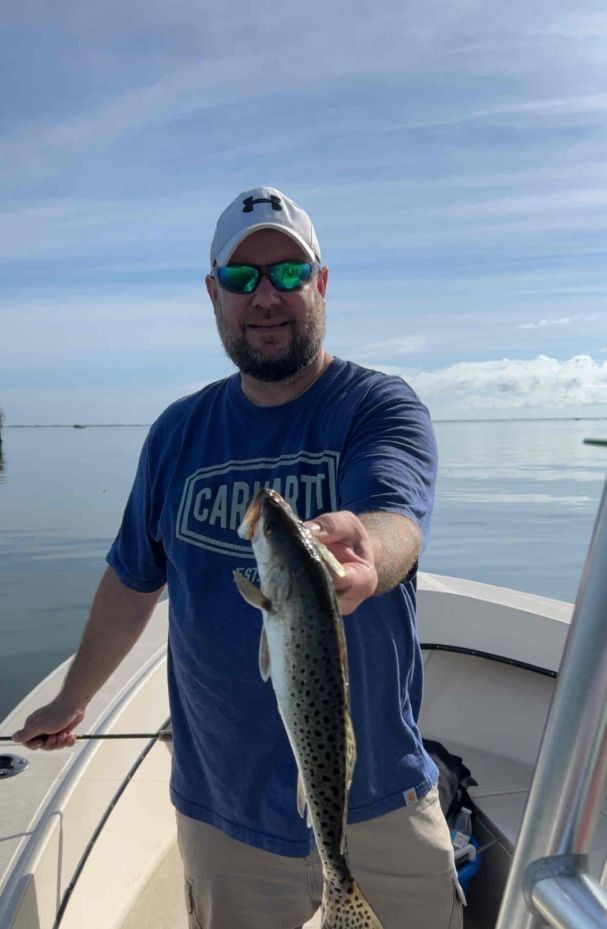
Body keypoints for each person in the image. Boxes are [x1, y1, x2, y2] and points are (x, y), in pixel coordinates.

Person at [12, 187, 464, 929]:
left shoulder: (377, 406)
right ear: (213, 292)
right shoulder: (177, 432)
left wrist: (367, 555)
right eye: (241, 276)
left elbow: (395, 521)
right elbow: (132, 579)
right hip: (222, 808)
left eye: (289, 273)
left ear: (320, 283)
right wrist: (72, 698)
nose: (266, 296)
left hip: (379, 798)